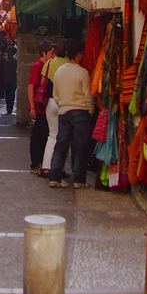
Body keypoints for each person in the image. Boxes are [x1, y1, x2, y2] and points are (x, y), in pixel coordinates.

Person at [48, 38, 95, 189]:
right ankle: (79, 180)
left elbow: (55, 94)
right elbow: (88, 95)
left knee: (61, 144)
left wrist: (62, 104)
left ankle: (54, 177)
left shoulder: (59, 71)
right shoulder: (83, 72)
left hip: (64, 111)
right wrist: (90, 109)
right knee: (80, 146)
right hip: (80, 111)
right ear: (79, 55)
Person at [27, 40, 56, 174]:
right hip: (39, 107)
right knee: (38, 135)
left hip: (44, 106)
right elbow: (31, 86)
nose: (53, 55)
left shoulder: (48, 66)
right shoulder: (38, 66)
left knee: (44, 135)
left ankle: (41, 162)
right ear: (44, 53)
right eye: (51, 52)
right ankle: (35, 163)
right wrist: (32, 107)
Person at [40, 40, 67, 176]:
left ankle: (46, 166)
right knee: (63, 137)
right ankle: (58, 168)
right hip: (64, 102)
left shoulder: (49, 63)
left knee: (52, 135)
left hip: (50, 101)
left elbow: (42, 83)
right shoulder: (70, 64)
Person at [1, 45, 18, 115]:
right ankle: (8, 108)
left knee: (11, 95)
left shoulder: (15, 61)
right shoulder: (4, 61)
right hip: (6, 80)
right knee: (7, 95)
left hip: (12, 81)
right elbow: (1, 71)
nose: (10, 53)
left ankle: (10, 108)